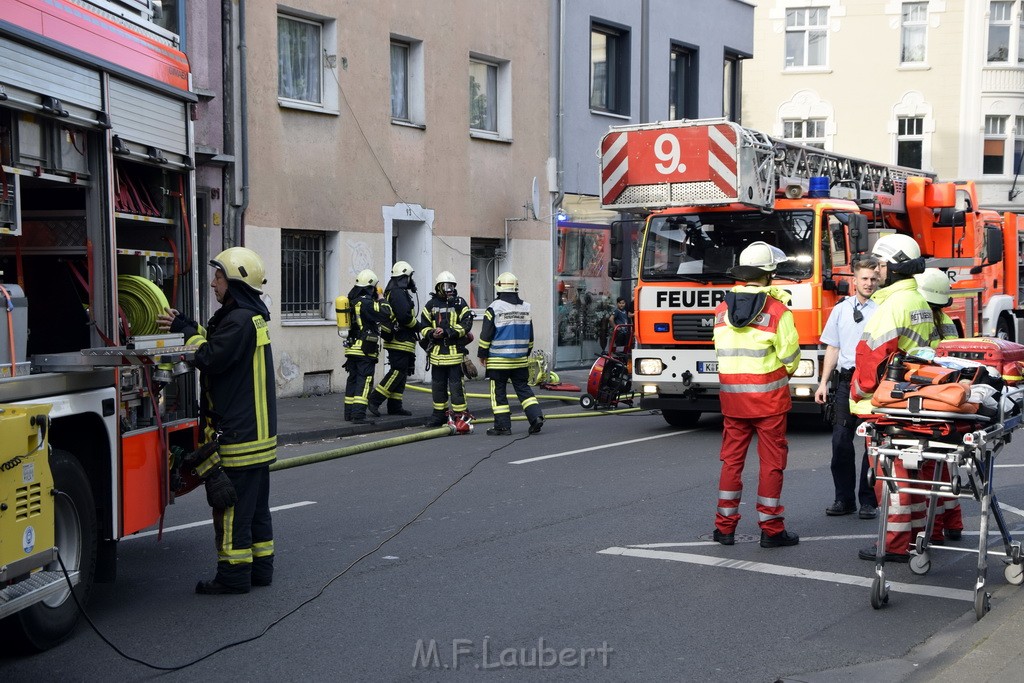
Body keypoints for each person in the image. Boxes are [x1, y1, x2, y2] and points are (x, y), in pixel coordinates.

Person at [157, 247, 276, 594]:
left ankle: (233, 576)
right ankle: (260, 570)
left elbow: (209, 357)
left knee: (231, 511)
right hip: (256, 433)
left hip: (239, 435)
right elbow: (219, 344)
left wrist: (188, 336)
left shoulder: (238, 321)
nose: (213, 282)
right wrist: (188, 326)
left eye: (219, 277)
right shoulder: (248, 316)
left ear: (234, 280)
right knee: (255, 510)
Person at [711, 241, 801, 549]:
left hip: (733, 400)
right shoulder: (778, 310)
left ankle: (724, 528)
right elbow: (790, 358)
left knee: (731, 463)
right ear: (769, 274)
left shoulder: (722, 309)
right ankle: (771, 529)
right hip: (770, 401)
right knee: (771, 464)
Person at [850, 233, 932, 563]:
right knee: (911, 475)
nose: (878, 270)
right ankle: (914, 537)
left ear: (892, 267)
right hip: (914, 402)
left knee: (891, 477)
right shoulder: (919, 302)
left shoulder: (891, 307)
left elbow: (870, 362)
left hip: (887, 407)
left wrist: (856, 393)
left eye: (881, 264)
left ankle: (896, 544)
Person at [814, 258, 880, 520]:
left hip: (874, 384)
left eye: (873, 279)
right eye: (864, 278)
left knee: (872, 445)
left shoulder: (884, 309)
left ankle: (868, 501)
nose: (869, 283)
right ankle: (844, 499)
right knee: (840, 441)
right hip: (846, 381)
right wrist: (822, 383)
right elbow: (833, 347)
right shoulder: (840, 310)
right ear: (855, 280)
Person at [914, 267, 964, 543]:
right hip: (948, 397)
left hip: (926, 398)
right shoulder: (946, 319)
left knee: (926, 468)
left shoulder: (919, 320)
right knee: (943, 465)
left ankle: (932, 530)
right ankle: (953, 523)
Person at [477, 272, 544, 436]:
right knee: (523, 389)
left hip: (498, 361)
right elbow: (530, 337)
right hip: (520, 360)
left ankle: (502, 426)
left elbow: (486, 335)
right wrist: (525, 353)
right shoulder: (526, 308)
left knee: (498, 392)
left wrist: (482, 354)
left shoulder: (494, 308)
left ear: (498, 287)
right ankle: (536, 417)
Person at [419, 271, 474, 427]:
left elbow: (466, 324)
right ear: (439, 287)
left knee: (456, 387)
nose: (449, 289)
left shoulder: (460, 303)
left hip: (455, 353)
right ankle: (439, 415)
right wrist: (432, 333)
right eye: (446, 286)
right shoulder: (431, 305)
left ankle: (460, 415)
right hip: (437, 355)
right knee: (438, 387)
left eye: (452, 286)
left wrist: (449, 332)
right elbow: (423, 326)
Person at [368, 261, 418, 417]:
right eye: (410, 277)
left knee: (402, 373)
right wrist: (420, 326)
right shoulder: (397, 293)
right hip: (400, 340)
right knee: (397, 371)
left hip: (402, 340)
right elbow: (404, 317)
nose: (411, 280)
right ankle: (375, 399)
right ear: (405, 277)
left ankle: (395, 406)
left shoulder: (395, 291)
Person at [343, 269, 393, 424]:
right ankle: (358, 415)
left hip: (351, 348)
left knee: (352, 379)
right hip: (364, 349)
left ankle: (349, 413)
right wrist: (381, 298)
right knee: (364, 382)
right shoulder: (367, 303)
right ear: (371, 287)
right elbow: (387, 312)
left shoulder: (351, 300)